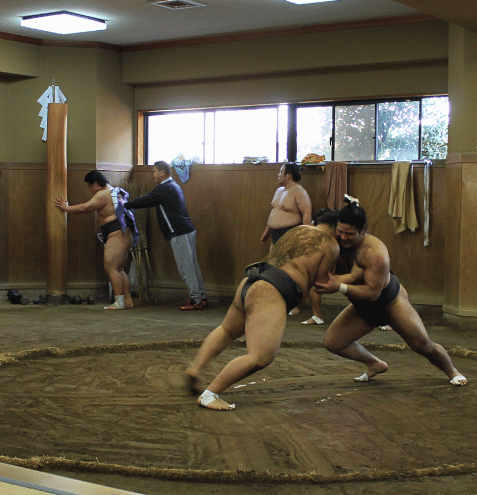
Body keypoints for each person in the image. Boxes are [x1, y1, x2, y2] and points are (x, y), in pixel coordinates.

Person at [314, 196, 468, 386]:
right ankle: (375, 364)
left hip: (390, 302)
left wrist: (340, 286)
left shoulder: (375, 252)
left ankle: (453, 372)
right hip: (362, 306)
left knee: (422, 345)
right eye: (340, 231)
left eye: (350, 234)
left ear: (363, 231)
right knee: (333, 342)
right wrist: (349, 278)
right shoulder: (335, 242)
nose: (343, 237)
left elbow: (373, 293)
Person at [186, 224, 339, 410]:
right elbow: (322, 283)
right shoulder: (330, 244)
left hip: (252, 281)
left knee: (227, 330)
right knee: (260, 356)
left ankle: (195, 369)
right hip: (271, 292)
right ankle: (210, 395)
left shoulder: (298, 230)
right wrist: (350, 280)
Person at [124, 160, 208, 311]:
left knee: (186, 268)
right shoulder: (173, 185)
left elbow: (145, 200)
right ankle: (201, 298)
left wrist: (124, 204)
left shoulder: (164, 188)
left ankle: (196, 300)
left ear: (162, 172)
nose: (153, 175)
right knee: (192, 266)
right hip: (187, 229)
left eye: (154, 172)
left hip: (179, 232)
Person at [55, 170, 136, 310]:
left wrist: (65, 208)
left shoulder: (103, 194)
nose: (90, 189)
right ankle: (127, 301)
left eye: (90, 185)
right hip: (123, 233)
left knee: (111, 267)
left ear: (96, 184)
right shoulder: (113, 191)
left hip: (117, 234)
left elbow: (84, 208)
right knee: (119, 269)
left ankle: (119, 302)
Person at [260, 163, 312, 249]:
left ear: (288, 175)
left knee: (286, 262)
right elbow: (274, 211)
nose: (278, 175)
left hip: (289, 235)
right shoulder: (279, 190)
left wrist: (305, 237)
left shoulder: (299, 191)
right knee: (272, 261)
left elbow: (307, 213)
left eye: (281, 172)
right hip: (274, 235)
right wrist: (267, 231)